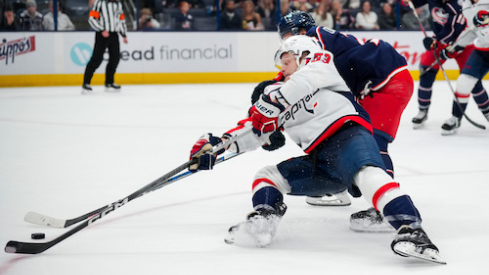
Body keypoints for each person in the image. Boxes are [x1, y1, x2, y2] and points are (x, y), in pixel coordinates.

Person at [189, 35, 445, 264]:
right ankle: (264, 219)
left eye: (286, 59)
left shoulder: (321, 65)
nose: (282, 66)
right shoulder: (279, 93)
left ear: (303, 54)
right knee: (267, 175)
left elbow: (298, 85)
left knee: (368, 174)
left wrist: (268, 107)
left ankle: (413, 231)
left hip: (348, 136)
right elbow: (252, 130)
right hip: (321, 160)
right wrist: (216, 145)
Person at [273, 11, 413, 232]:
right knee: (338, 134)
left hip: (384, 83)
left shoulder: (313, 37)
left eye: (288, 36)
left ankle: (385, 210)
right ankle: (337, 189)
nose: (286, 44)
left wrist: (271, 95)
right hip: (379, 83)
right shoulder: (320, 41)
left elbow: (302, 74)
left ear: (301, 31)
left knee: (373, 143)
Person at [407, 0, 489, 134]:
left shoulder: (460, 4)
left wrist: (437, 42)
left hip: (462, 43)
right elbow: (411, 4)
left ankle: (486, 110)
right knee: (426, 71)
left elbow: (455, 30)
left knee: (471, 80)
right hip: (441, 41)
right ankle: (423, 110)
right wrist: (406, 2)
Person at [442, 0, 489, 127]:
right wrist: (454, 48)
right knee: (464, 82)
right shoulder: (466, 5)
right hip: (482, 51)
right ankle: (456, 117)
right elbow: (471, 29)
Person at [82, 0, 128, 94]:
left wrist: (124, 34)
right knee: (96, 59)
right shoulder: (99, 3)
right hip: (102, 35)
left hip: (114, 34)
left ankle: (109, 82)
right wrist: (101, 29)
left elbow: (121, 19)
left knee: (115, 58)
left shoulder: (118, 4)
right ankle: (86, 83)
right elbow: (92, 18)